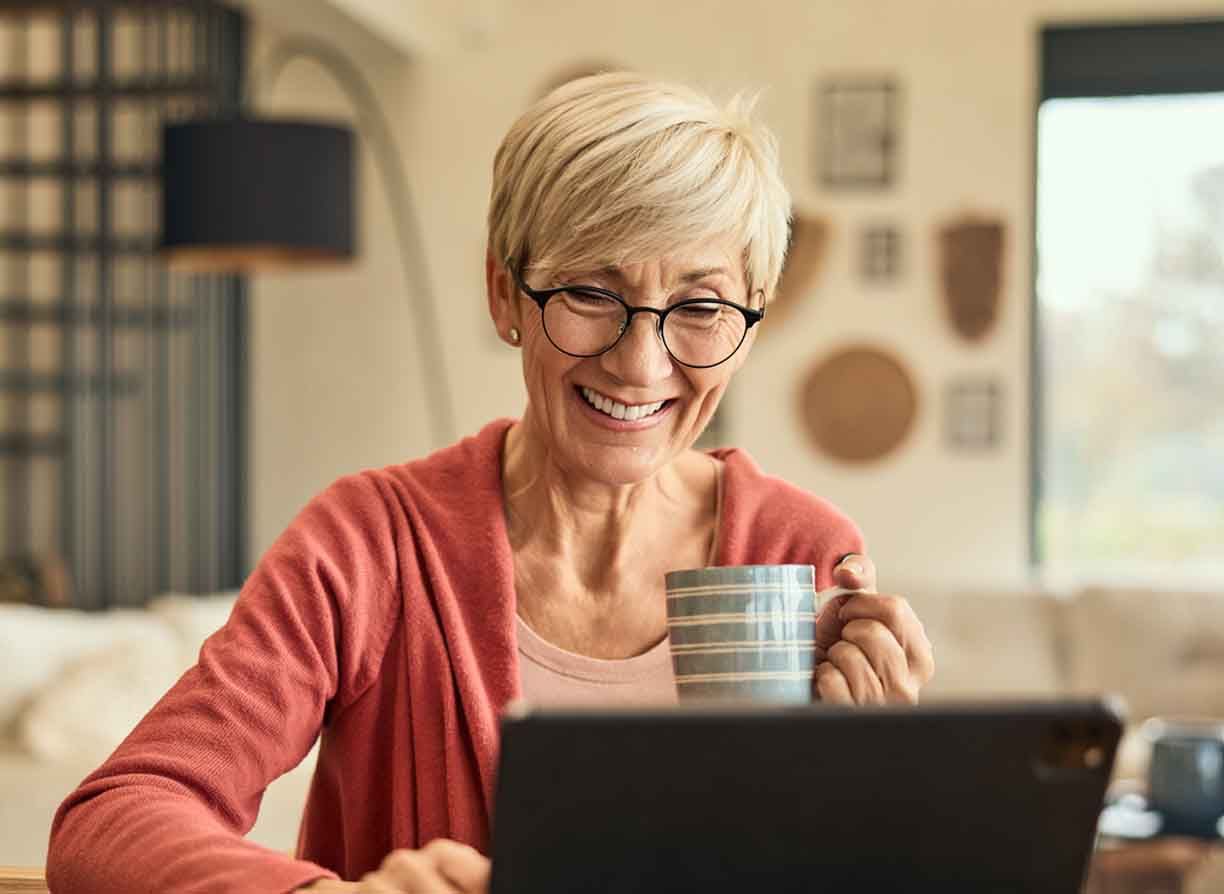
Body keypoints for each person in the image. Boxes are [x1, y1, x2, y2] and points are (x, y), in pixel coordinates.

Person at [47, 71, 934, 894]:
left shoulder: (800, 551)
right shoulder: (370, 542)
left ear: (746, 328)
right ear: (505, 294)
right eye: (590, 292)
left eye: (701, 309)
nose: (640, 361)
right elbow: (111, 818)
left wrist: (878, 775)